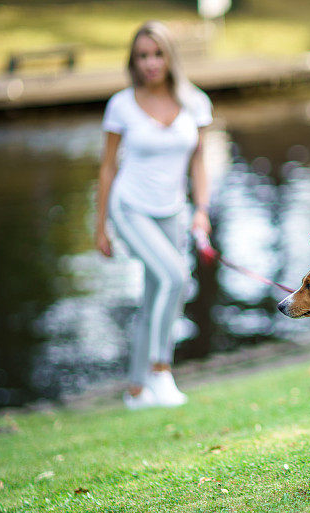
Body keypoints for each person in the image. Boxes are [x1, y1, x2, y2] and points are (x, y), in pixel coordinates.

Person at [95, 20, 212, 409]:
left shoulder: (194, 102)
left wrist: (201, 212)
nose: (150, 62)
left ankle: (135, 390)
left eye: (157, 53)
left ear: (170, 57)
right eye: (142, 55)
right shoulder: (121, 105)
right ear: (133, 61)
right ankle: (160, 371)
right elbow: (108, 167)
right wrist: (101, 227)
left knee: (154, 292)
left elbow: (199, 162)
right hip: (129, 208)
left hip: (173, 211)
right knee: (175, 276)